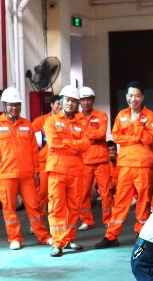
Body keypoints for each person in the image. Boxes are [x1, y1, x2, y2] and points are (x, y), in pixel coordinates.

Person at [0, 87, 51, 250]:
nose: (14, 108)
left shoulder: (27, 125)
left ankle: (43, 237)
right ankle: (14, 238)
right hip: (6, 174)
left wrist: (36, 171)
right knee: (9, 207)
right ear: (4, 105)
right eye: (10, 105)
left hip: (27, 174)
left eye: (17, 105)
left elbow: (34, 151)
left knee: (34, 207)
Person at [96, 82, 153, 249]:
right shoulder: (121, 115)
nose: (133, 99)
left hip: (144, 165)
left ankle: (142, 235)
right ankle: (111, 236)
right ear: (126, 97)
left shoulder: (149, 116)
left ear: (142, 97)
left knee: (143, 202)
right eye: (130, 95)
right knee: (120, 202)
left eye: (137, 95)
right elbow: (116, 137)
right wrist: (135, 137)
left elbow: (148, 139)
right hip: (125, 165)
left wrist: (136, 124)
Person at [45, 85, 89, 256]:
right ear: (61, 101)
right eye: (68, 100)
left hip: (76, 171)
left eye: (74, 101)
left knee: (74, 207)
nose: (70, 103)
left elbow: (85, 144)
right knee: (56, 207)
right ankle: (57, 243)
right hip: (57, 170)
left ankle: (68, 239)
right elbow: (54, 143)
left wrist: (67, 145)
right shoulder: (51, 121)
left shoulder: (81, 123)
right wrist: (75, 146)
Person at [77, 86, 113, 231]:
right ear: (80, 101)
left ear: (93, 100)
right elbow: (74, 137)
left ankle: (108, 219)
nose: (86, 102)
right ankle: (86, 220)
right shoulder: (75, 118)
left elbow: (101, 133)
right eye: (83, 99)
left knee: (106, 192)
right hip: (83, 161)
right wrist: (91, 135)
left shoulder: (102, 115)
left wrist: (85, 136)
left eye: (88, 99)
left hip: (101, 160)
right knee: (83, 193)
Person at [32, 94, 62, 213]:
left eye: (61, 104)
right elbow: (30, 140)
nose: (60, 106)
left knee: (58, 194)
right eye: (58, 104)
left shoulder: (65, 121)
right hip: (43, 163)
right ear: (51, 105)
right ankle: (37, 221)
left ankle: (55, 221)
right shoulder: (40, 121)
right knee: (41, 193)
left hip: (59, 162)